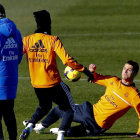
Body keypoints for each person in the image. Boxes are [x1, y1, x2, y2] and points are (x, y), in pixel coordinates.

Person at [19, 10, 94, 140]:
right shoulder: (53, 40)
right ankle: (60, 136)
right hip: (53, 83)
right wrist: (85, 71)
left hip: (37, 84)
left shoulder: (27, 40)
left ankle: (30, 126)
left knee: (45, 106)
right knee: (69, 109)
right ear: (49, 23)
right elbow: (66, 60)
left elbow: (17, 56)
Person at [30, 60, 140, 138]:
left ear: (135, 73)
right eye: (124, 68)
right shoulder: (113, 80)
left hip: (97, 125)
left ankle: (58, 131)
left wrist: (139, 133)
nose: (125, 71)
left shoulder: (134, 95)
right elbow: (94, 78)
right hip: (88, 111)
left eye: (129, 70)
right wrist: (92, 72)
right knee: (60, 108)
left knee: (69, 133)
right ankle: (41, 126)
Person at [0, 4, 23, 140]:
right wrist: (11, 64)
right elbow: (20, 53)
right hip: (11, 77)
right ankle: (13, 138)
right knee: (9, 112)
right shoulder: (17, 31)